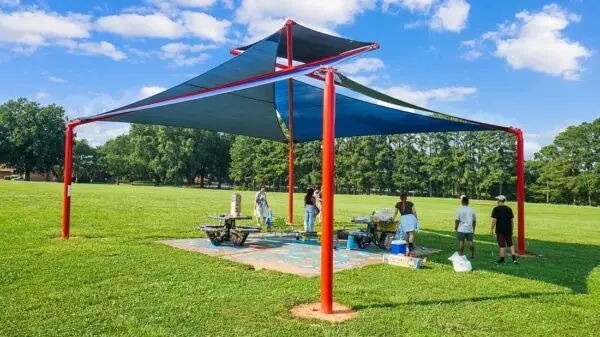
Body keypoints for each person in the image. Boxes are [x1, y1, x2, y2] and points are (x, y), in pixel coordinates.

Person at [490, 195, 518, 264]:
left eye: (497, 200)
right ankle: (514, 259)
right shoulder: (509, 209)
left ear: (499, 201)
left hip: (500, 230)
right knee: (510, 244)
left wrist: (491, 229)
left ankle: (502, 259)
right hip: (508, 229)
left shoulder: (496, 209)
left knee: (502, 245)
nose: (497, 201)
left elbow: (494, 220)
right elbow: (512, 220)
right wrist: (511, 229)